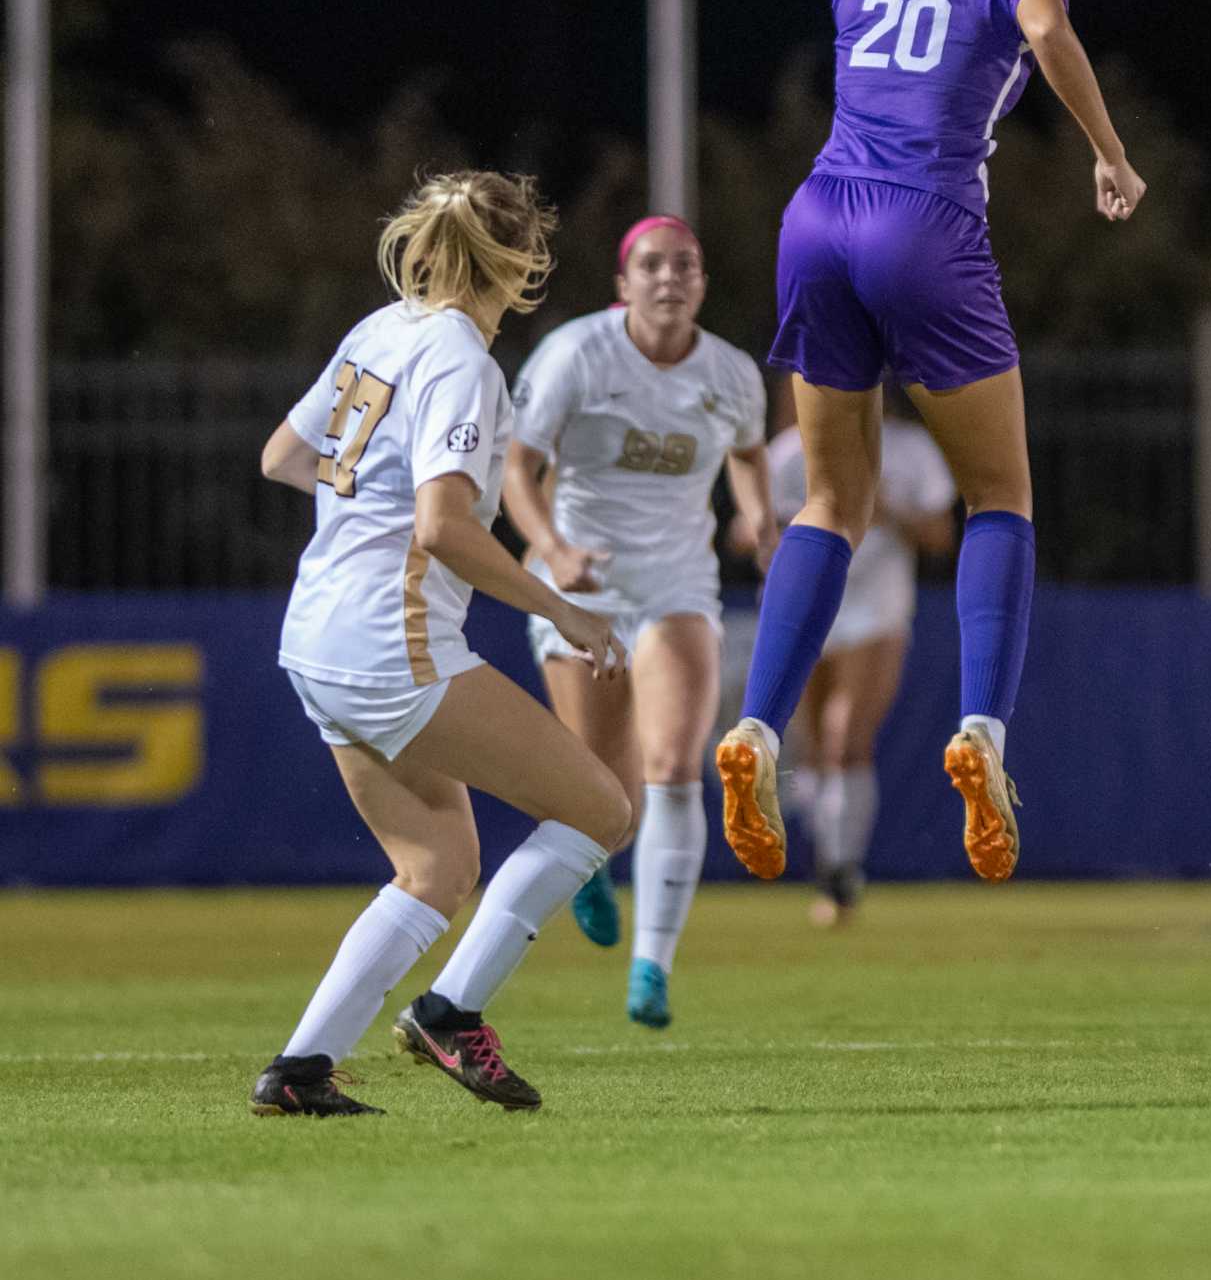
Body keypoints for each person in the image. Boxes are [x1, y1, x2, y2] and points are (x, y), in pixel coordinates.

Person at [626, 0, 1145, 887]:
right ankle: (983, 735)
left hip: (815, 222)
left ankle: (761, 729)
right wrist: (1109, 149)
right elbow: (1047, 32)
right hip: (925, 228)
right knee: (1000, 499)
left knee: (828, 503)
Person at [251, 172, 631, 1118]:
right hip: (390, 643)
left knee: (435, 868)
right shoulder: (462, 358)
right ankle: (450, 1013)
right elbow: (442, 531)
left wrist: (365, 508)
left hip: (315, 638)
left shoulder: (382, 328)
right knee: (599, 810)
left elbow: (285, 459)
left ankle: (299, 1072)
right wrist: (568, 610)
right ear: (526, 260)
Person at [501, 216, 777, 1030]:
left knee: (672, 766)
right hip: (577, 589)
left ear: (701, 282)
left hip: (677, 586)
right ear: (623, 284)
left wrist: (760, 520)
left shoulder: (728, 373)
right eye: (651, 265)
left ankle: (651, 965)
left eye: (684, 265)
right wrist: (551, 548)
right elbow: (518, 466)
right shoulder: (576, 355)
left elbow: (751, 450)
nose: (669, 278)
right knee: (603, 790)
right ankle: (592, 867)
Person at [767, 394, 957, 924]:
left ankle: (842, 869)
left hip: (877, 608)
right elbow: (755, 532)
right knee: (809, 747)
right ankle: (828, 856)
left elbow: (942, 535)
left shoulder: (910, 450)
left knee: (845, 736)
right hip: (810, 605)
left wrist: (889, 508)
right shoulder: (791, 452)